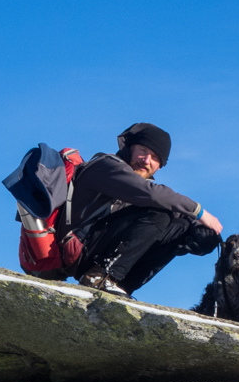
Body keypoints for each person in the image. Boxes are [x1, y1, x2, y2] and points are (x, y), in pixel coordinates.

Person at [64, 122, 223, 296]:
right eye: (143, 151)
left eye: (155, 157)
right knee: (160, 214)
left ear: (160, 165)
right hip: (77, 249)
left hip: (95, 249)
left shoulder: (139, 187)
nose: (146, 161)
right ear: (131, 148)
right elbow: (154, 195)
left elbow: (175, 211)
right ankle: (99, 276)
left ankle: (120, 285)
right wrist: (200, 212)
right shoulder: (107, 167)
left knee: (180, 225)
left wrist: (202, 232)